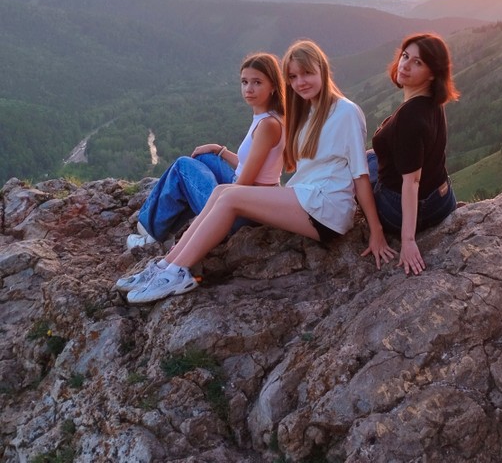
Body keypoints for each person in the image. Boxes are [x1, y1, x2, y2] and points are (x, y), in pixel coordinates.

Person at [121, 39, 396, 304]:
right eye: (293, 76)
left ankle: (178, 272)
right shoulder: (306, 111)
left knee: (230, 196)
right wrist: (222, 152)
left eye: (307, 73)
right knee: (221, 190)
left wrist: (376, 231)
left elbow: (360, 175)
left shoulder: (346, 112)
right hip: (308, 198)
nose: (300, 82)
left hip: (328, 209)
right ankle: (166, 265)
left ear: (322, 70)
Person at [116, 52, 285, 291]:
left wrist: (214, 202)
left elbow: (244, 184)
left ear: (273, 86)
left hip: (242, 212)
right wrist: (220, 150)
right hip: (251, 198)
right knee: (205, 157)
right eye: (244, 82)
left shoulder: (268, 125)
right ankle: (162, 227)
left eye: (257, 82)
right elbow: (253, 166)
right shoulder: (268, 117)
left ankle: (151, 234)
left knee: (184, 167)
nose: (249, 89)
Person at [366, 32, 459, 276]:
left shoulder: (409, 118)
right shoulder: (432, 102)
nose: (405, 65)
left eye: (417, 62)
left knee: (354, 172)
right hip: (442, 200)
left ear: (432, 73)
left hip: (403, 210)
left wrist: (408, 240)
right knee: (368, 157)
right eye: (405, 56)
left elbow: (412, 181)